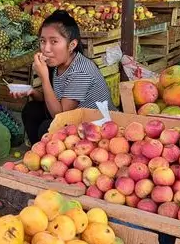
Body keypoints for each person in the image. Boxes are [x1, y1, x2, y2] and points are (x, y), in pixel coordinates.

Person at [16, 10, 115, 144]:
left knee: (48, 128)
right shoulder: (59, 63)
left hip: (97, 128)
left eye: (54, 41)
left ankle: (51, 157)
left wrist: (44, 78)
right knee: (32, 110)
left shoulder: (80, 71)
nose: (46, 48)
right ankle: (38, 153)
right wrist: (32, 92)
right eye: (43, 41)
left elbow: (60, 116)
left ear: (72, 45)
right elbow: (54, 99)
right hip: (75, 118)